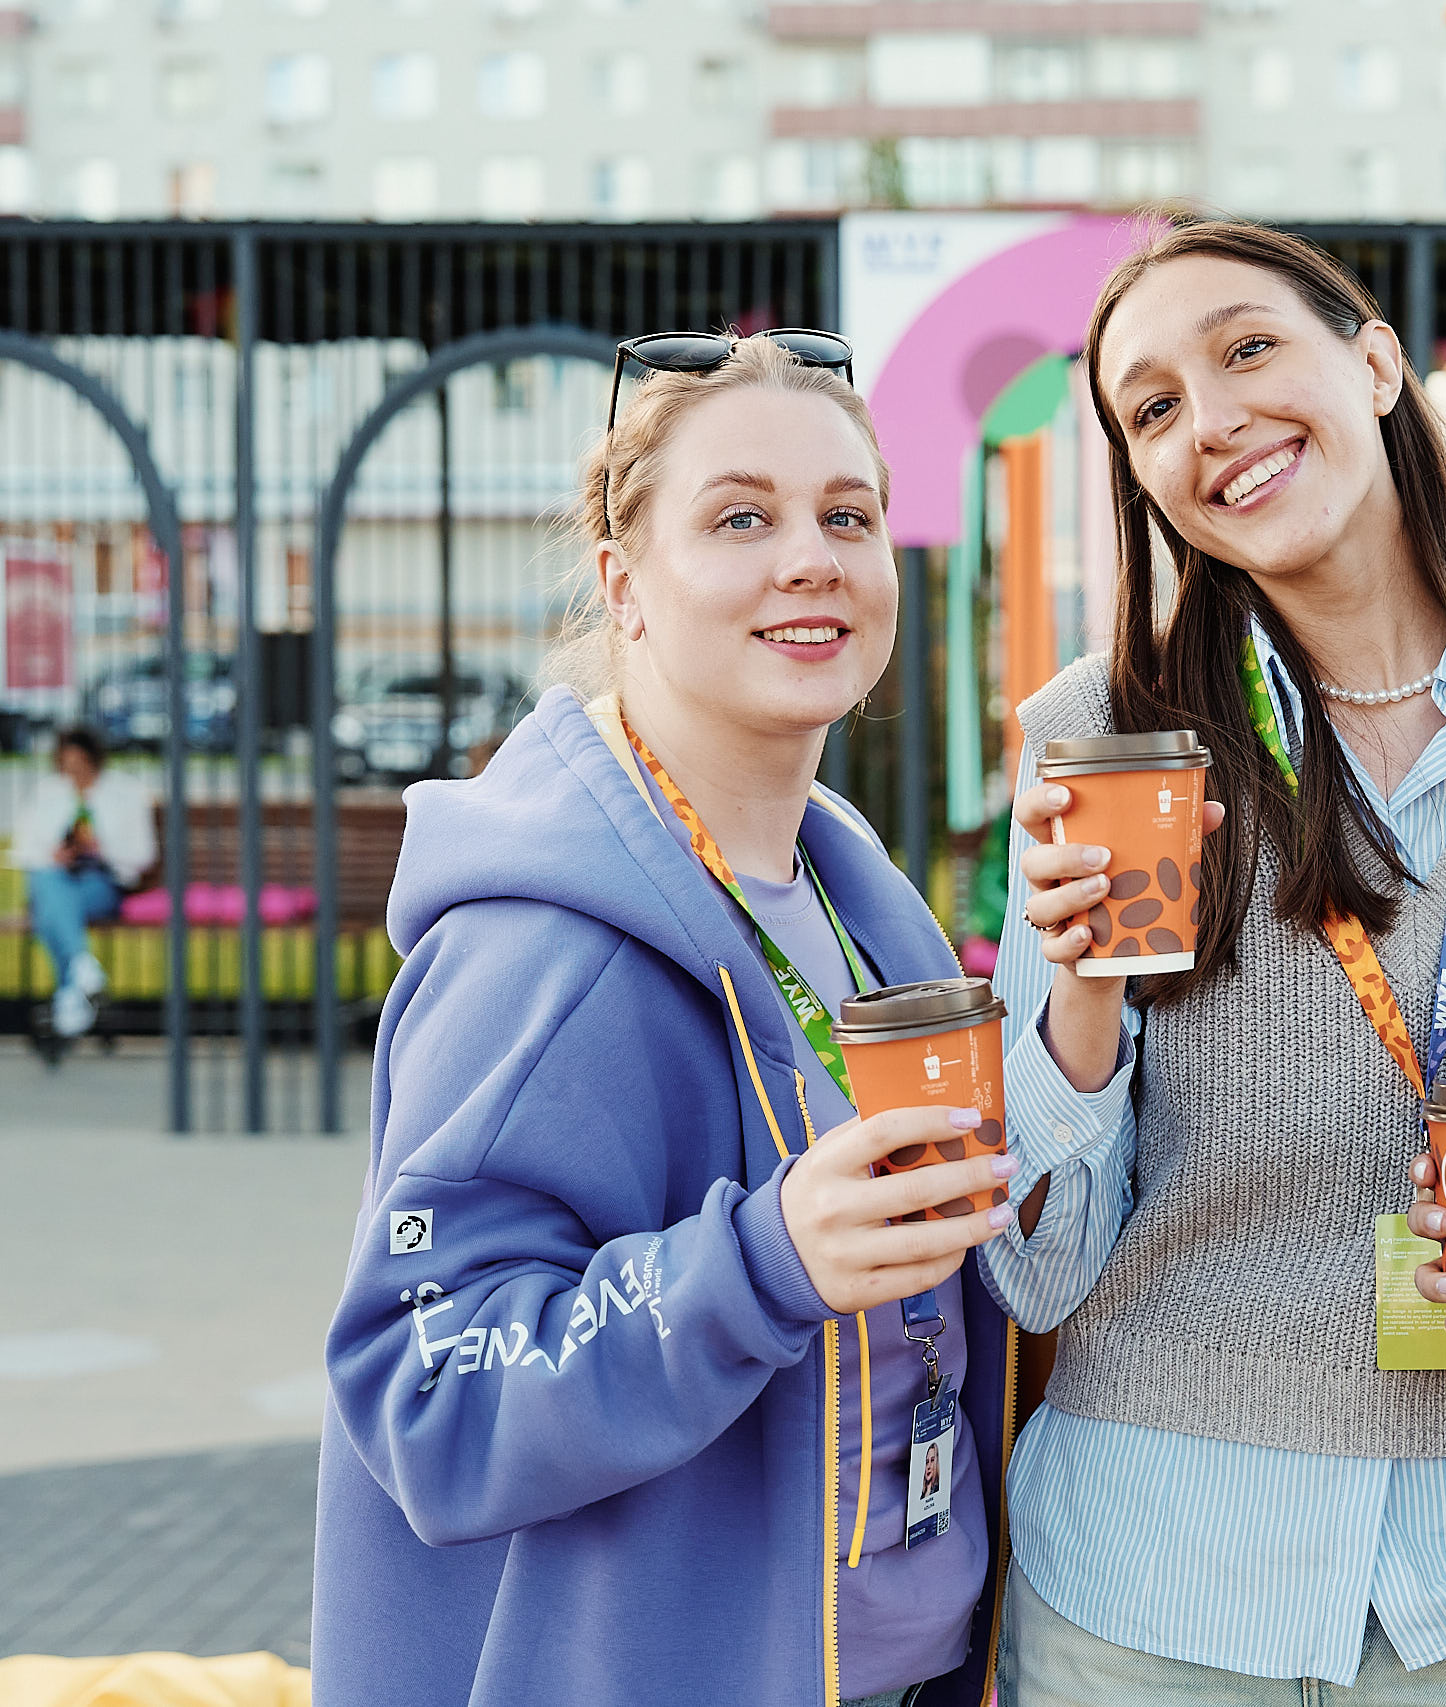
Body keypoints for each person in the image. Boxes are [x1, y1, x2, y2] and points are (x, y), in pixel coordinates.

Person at [986, 220, 1446, 1701]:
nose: (1210, 419)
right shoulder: (1102, 740)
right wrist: (1082, 992)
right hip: (1145, 1591)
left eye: (1247, 349)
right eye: (1153, 408)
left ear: (1375, 362)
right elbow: (1036, 1268)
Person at [313, 333, 1016, 1707]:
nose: (809, 558)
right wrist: (761, 1263)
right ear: (624, 585)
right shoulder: (541, 950)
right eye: (740, 518)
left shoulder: (858, 903)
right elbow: (426, 1391)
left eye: (847, 516)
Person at [15, 724, 153, 1039]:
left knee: (49, 909)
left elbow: (143, 854)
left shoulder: (125, 793)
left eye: (80, 766)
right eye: (67, 767)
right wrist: (53, 854)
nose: (74, 775)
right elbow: (24, 849)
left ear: (95, 760)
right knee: (48, 883)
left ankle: (75, 986)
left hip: (101, 881)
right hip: (55, 876)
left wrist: (102, 850)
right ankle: (82, 976)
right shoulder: (48, 792)